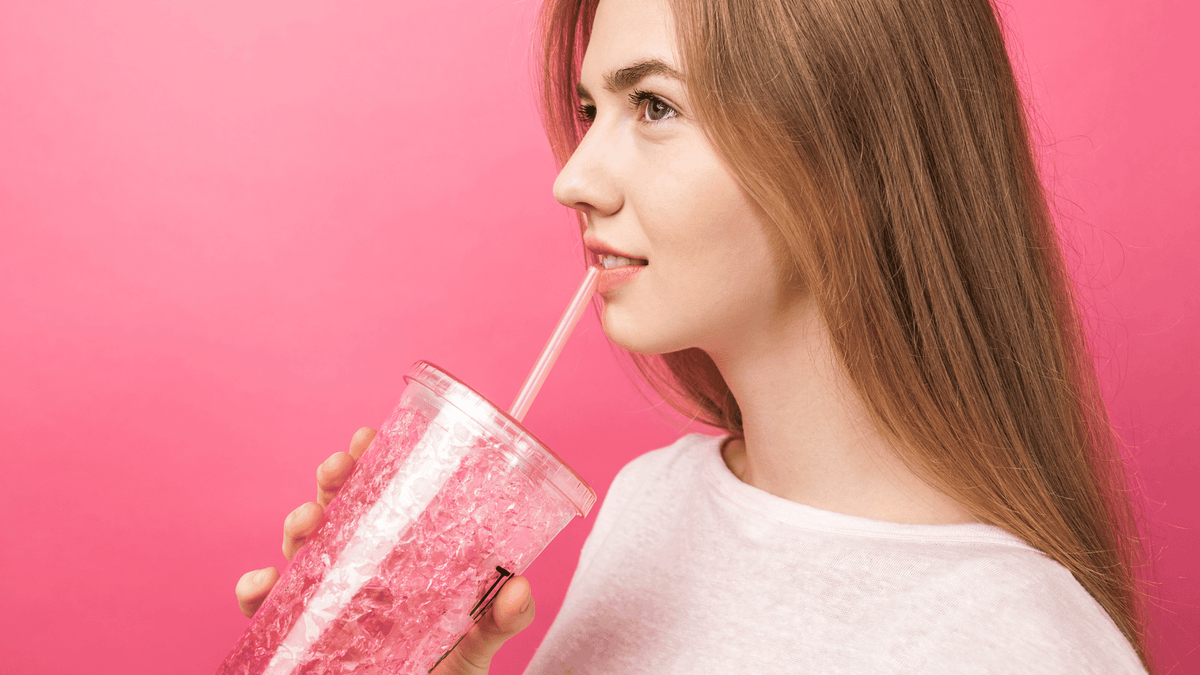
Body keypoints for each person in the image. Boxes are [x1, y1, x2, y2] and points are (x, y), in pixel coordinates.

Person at [235, 0, 1154, 672]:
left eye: (656, 107)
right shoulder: (654, 504)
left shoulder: (1018, 646)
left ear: (846, 152)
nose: (575, 178)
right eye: (593, 110)